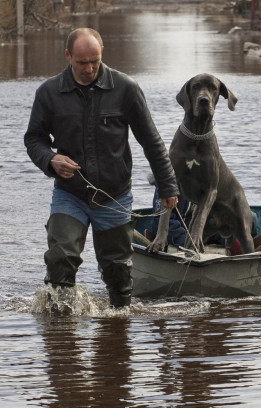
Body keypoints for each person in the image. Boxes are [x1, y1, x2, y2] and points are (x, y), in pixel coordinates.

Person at [24, 27, 179, 308]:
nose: (89, 68)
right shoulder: (49, 92)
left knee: (117, 270)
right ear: (68, 56)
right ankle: (60, 332)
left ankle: (118, 330)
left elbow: (152, 141)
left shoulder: (125, 88)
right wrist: (50, 160)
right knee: (61, 257)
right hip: (69, 194)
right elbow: (34, 139)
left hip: (114, 196)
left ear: (101, 54)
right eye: (82, 63)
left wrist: (168, 185)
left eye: (94, 61)